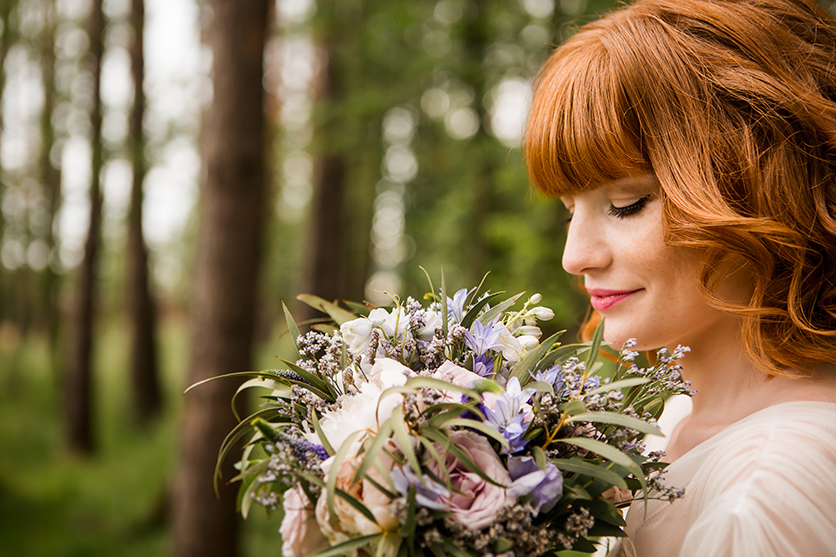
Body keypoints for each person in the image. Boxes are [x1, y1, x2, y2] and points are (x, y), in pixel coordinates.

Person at [524, 0, 836, 555]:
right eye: (571, 210)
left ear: (762, 184)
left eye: (627, 203)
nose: (575, 257)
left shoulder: (769, 485)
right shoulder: (668, 422)